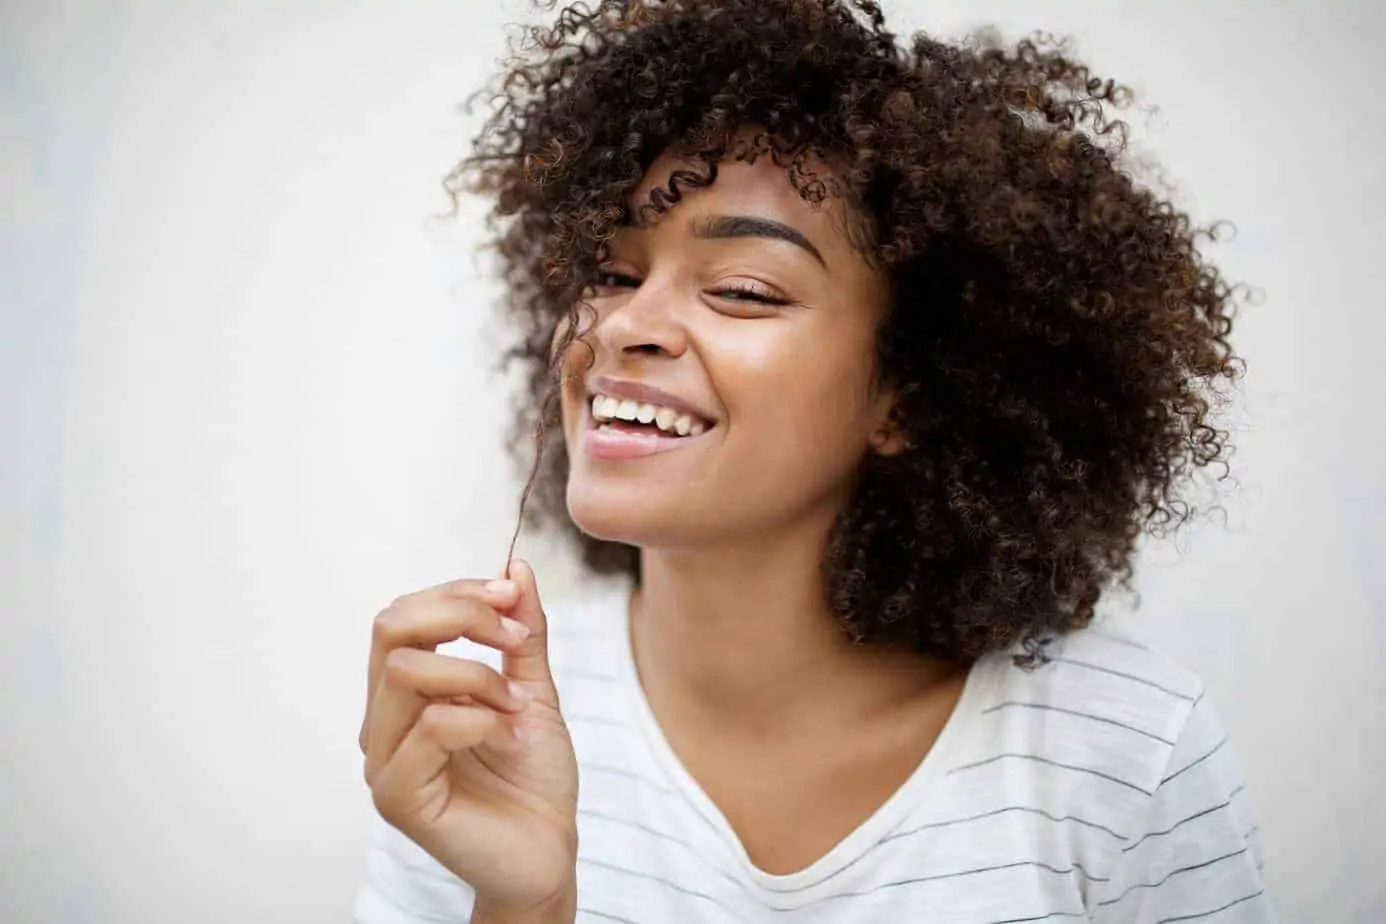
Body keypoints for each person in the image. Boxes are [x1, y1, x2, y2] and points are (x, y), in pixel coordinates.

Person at [354, 1, 1275, 921]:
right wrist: (528, 899)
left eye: (743, 290)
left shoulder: (1124, 751)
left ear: (909, 396)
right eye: (611, 273)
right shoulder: (476, 729)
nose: (623, 326)